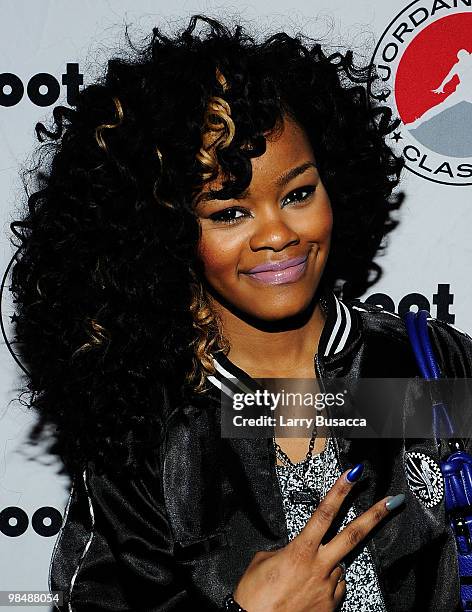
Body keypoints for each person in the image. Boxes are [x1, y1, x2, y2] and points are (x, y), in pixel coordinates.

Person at [8, 13, 472, 612]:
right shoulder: (154, 426)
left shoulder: (429, 364)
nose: (278, 234)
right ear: (163, 230)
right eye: (229, 211)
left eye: (298, 193)